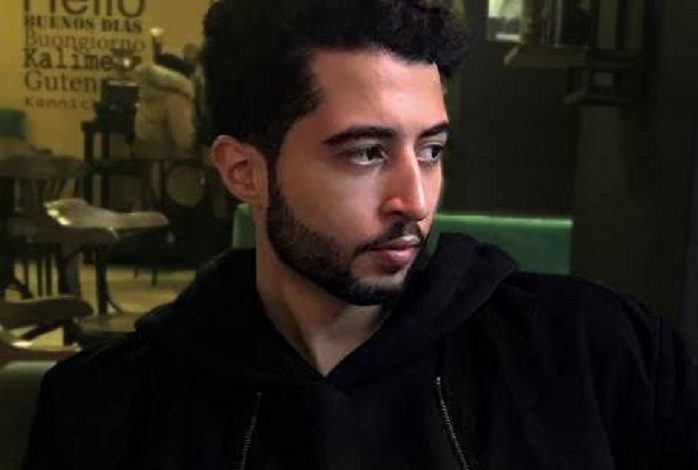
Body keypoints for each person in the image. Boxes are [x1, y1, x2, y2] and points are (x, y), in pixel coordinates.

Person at [24, 0, 698, 469]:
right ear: (243, 171)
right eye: (366, 153)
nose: (416, 201)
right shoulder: (110, 411)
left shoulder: (597, 354)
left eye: (430, 150)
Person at [131, 53, 196, 208]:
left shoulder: (146, 97)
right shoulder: (175, 99)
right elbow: (184, 141)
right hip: (173, 177)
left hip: (150, 175)